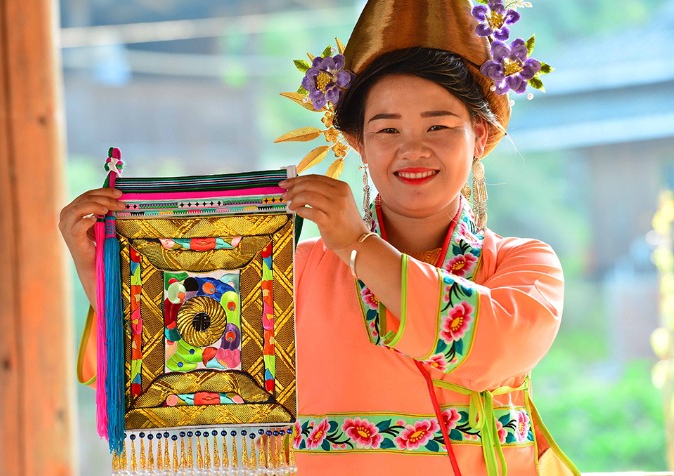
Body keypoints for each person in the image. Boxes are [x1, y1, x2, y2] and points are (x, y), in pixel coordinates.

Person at [59, 0, 579, 474]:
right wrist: (95, 269)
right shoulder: (296, 268)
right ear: (357, 142)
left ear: (480, 136)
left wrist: (356, 244)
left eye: (439, 127)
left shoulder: (522, 264)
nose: (413, 149)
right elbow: (190, 351)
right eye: (388, 129)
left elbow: (494, 346)